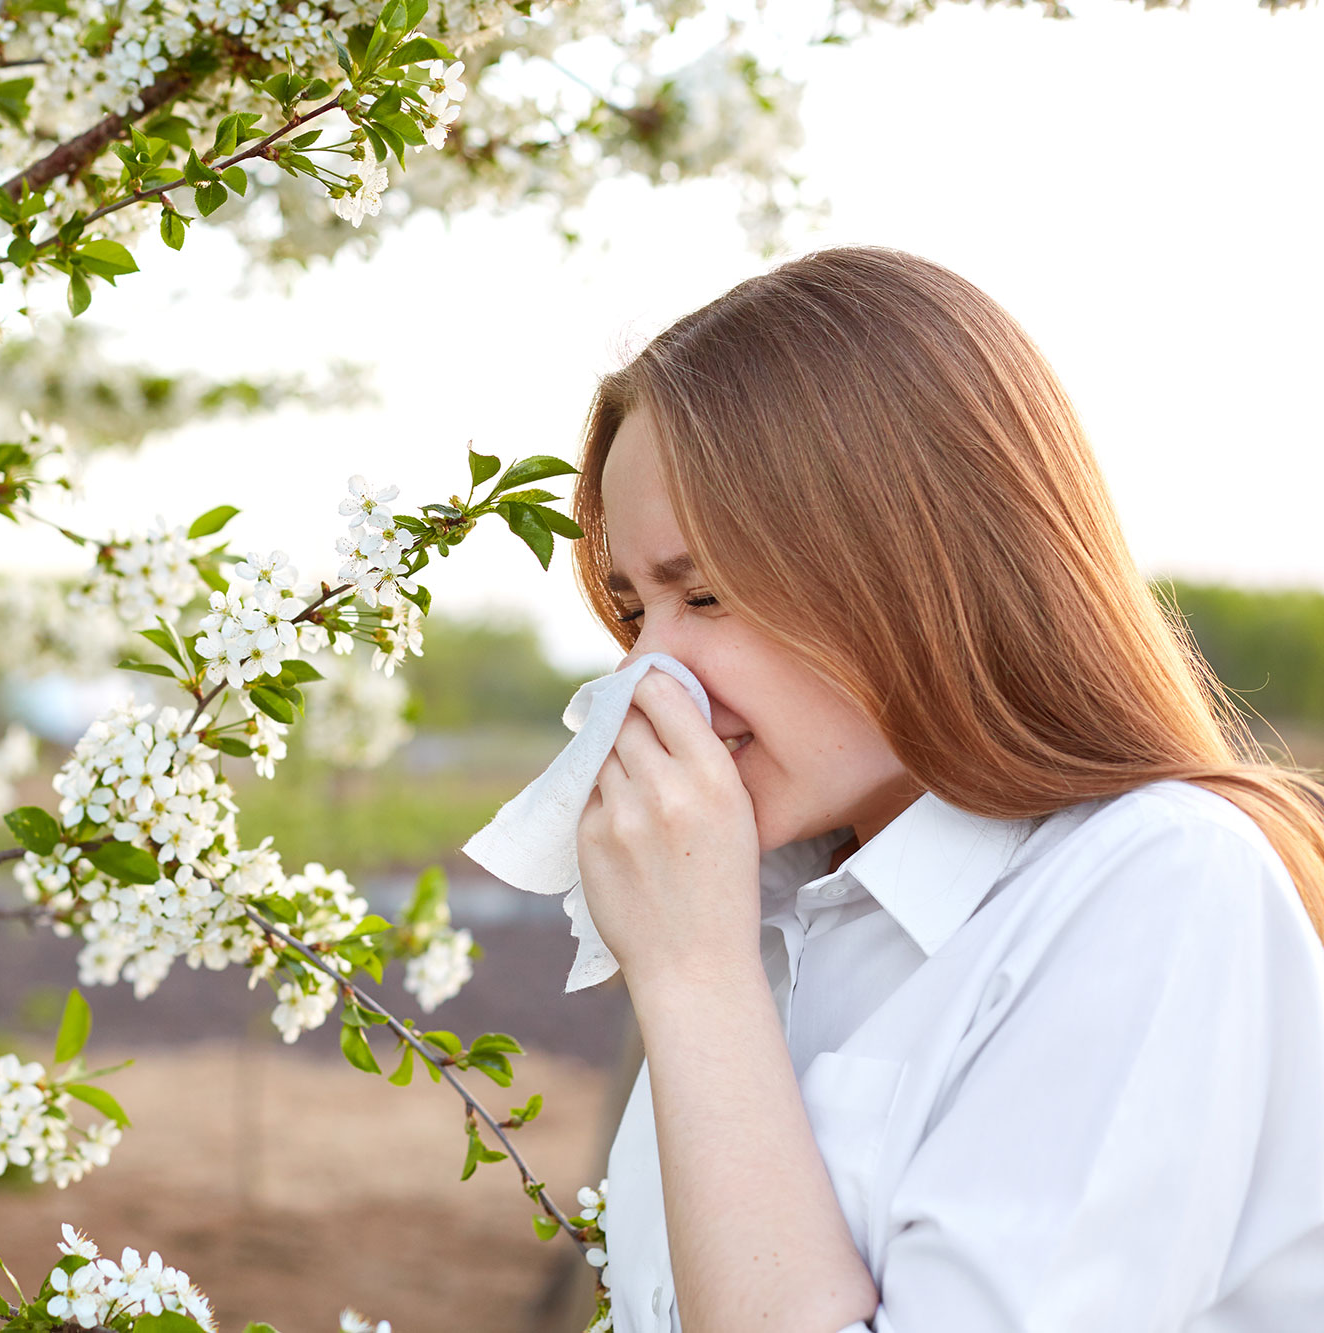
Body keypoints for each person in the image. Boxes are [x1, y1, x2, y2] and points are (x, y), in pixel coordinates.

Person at [567, 246, 1324, 1333]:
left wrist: (692, 982)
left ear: (914, 564)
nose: (650, 675)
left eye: (709, 593)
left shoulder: (1156, 884)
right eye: (635, 610)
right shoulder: (774, 910)